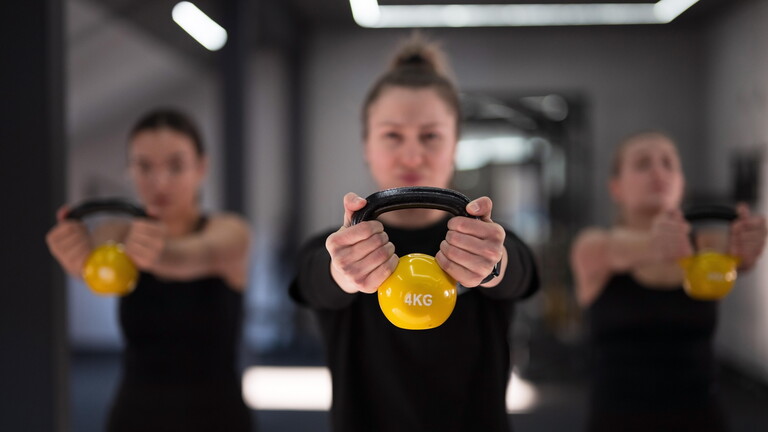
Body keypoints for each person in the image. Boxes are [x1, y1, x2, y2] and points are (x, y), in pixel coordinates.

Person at [289, 36, 539, 432]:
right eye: (392, 136)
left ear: (454, 145)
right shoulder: (334, 247)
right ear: (366, 146)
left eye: (430, 136)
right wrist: (343, 271)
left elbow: (518, 272)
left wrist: (492, 264)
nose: (411, 155)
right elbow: (314, 279)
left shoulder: (489, 239)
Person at [46, 109, 253, 432]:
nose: (159, 182)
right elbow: (91, 263)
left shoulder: (230, 231)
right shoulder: (115, 232)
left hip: (216, 414)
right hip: (134, 413)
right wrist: (77, 257)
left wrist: (158, 254)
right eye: (144, 166)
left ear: (201, 167)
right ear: (130, 170)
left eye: (175, 165)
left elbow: (193, 257)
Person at [570, 131, 767, 432]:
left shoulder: (709, 244)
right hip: (617, 420)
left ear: (681, 184)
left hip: (701, 417)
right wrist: (661, 244)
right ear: (616, 187)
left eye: (668, 164)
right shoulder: (594, 245)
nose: (658, 171)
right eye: (642, 164)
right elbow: (625, 250)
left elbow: (741, 261)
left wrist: (747, 249)